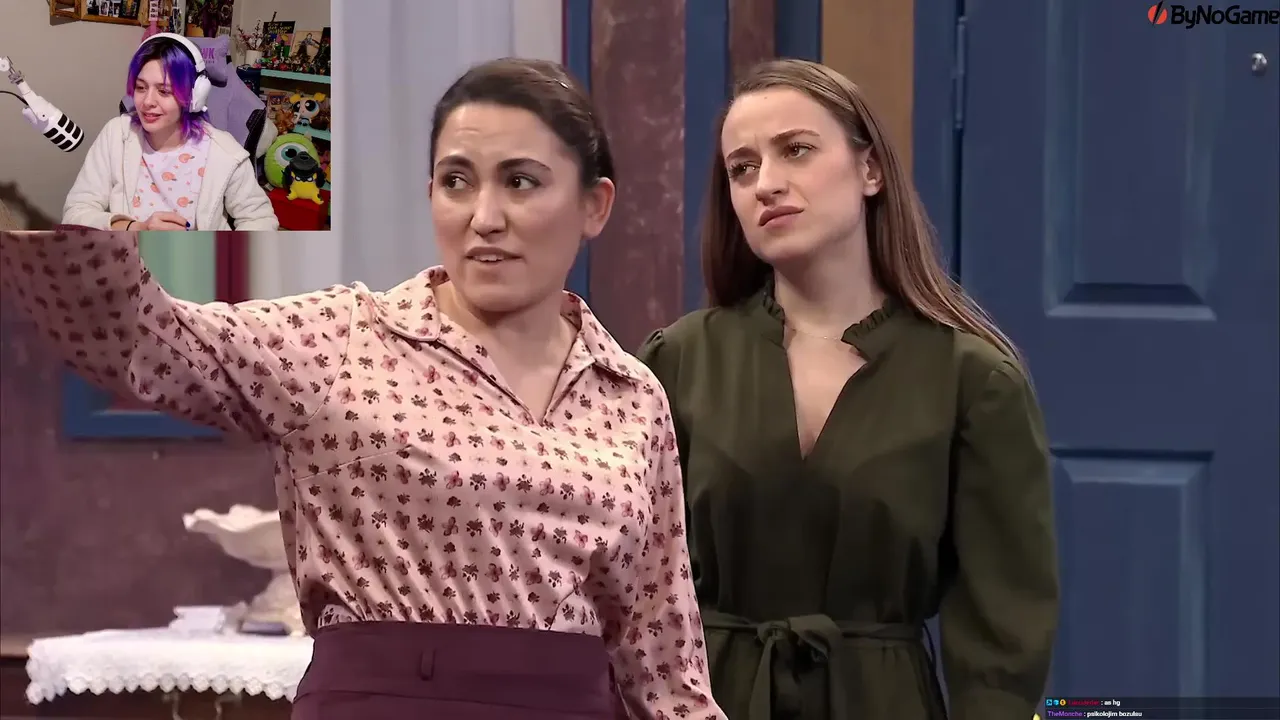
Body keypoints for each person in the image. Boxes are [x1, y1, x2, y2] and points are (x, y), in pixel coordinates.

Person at [3, 58, 723, 720]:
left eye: (521, 182)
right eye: (457, 181)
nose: (484, 217)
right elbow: (141, 339)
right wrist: (48, 176)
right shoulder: (341, 339)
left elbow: (664, 664)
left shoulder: (631, 395)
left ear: (595, 205)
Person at [637, 58, 1059, 720]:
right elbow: (628, 586)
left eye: (796, 150)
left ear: (871, 170)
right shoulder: (679, 361)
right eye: (742, 168)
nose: (766, 184)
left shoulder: (972, 380)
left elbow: (1004, 633)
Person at [62, 33, 277, 231]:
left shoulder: (224, 152)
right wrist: (135, 228)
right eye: (141, 87)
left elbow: (261, 221)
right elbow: (76, 212)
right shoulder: (116, 135)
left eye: (164, 91)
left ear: (194, 96)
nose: (147, 102)